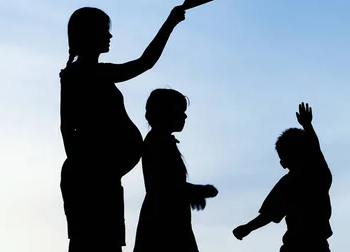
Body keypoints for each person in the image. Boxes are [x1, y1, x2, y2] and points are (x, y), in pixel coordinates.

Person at [59, 5, 185, 252]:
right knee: (95, 243)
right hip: (93, 181)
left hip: (100, 178)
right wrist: (87, 170)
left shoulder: (90, 73)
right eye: (105, 31)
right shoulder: (83, 74)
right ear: (89, 34)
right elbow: (66, 128)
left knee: (102, 243)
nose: (109, 36)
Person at [233, 102, 333, 252]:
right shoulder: (318, 175)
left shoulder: (301, 179)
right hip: (308, 246)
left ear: (283, 162)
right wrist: (307, 126)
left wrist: (248, 227)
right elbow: (315, 149)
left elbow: (268, 214)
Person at [133, 88, 218, 252]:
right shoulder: (159, 143)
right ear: (166, 112)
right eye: (180, 111)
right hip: (164, 225)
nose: (184, 116)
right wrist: (198, 190)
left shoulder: (160, 141)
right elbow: (163, 186)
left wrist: (191, 192)